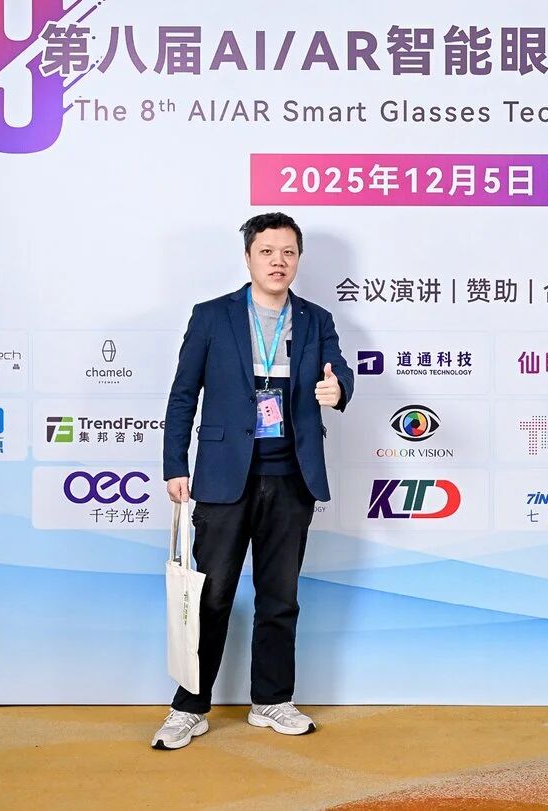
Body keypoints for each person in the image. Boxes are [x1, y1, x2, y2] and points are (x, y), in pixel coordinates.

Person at [151, 212, 354, 750]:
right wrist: (175, 464)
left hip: (290, 478)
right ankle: (189, 707)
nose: (277, 261)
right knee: (211, 597)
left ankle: (271, 700)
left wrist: (338, 389)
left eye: (288, 252)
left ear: (299, 259)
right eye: (267, 252)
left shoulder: (315, 319)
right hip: (224, 478)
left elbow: (338, 370)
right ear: (248, 258)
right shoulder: (211, 316)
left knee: (280, 598)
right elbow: (182, 394)